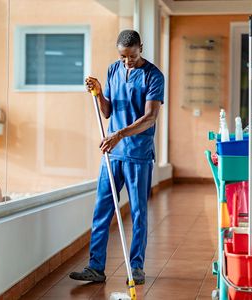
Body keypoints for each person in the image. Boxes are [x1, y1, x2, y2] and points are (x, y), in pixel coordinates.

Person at [69, 29, 164, 285]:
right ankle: (95, 267)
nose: (127, 62)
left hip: (138, 155)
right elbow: (108, 111)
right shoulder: (113, 70)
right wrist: (99, 92)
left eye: (131, 56)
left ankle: (136, 268)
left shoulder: (154, 76)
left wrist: (119, 135)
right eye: (123, 57)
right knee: (102, 210)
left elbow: (150, 118)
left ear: (140, 48)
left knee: (138, 213)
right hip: (113, 154)